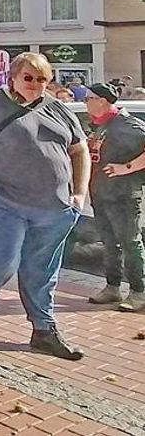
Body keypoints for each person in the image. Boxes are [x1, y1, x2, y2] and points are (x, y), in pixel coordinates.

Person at [0, 52, 89, 360]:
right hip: (6, 200)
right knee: (2, 261)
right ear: (14, 78)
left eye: (41, 79)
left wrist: (79, 194)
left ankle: (43, 331)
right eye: (28, 78)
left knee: (42, 270)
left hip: (54, 207)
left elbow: (79, 148)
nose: (34, 84)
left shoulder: (60, 110)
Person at [85, 82, 145, 312]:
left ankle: (139, 291)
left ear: (102, 100)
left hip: (123, 195)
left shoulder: (127, 124)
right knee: (110, 242)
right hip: (101, 193)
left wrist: (127, 167)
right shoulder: (102, 125)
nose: (86, 103)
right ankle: (112, 287)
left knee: (130, 242)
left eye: (88, 98)